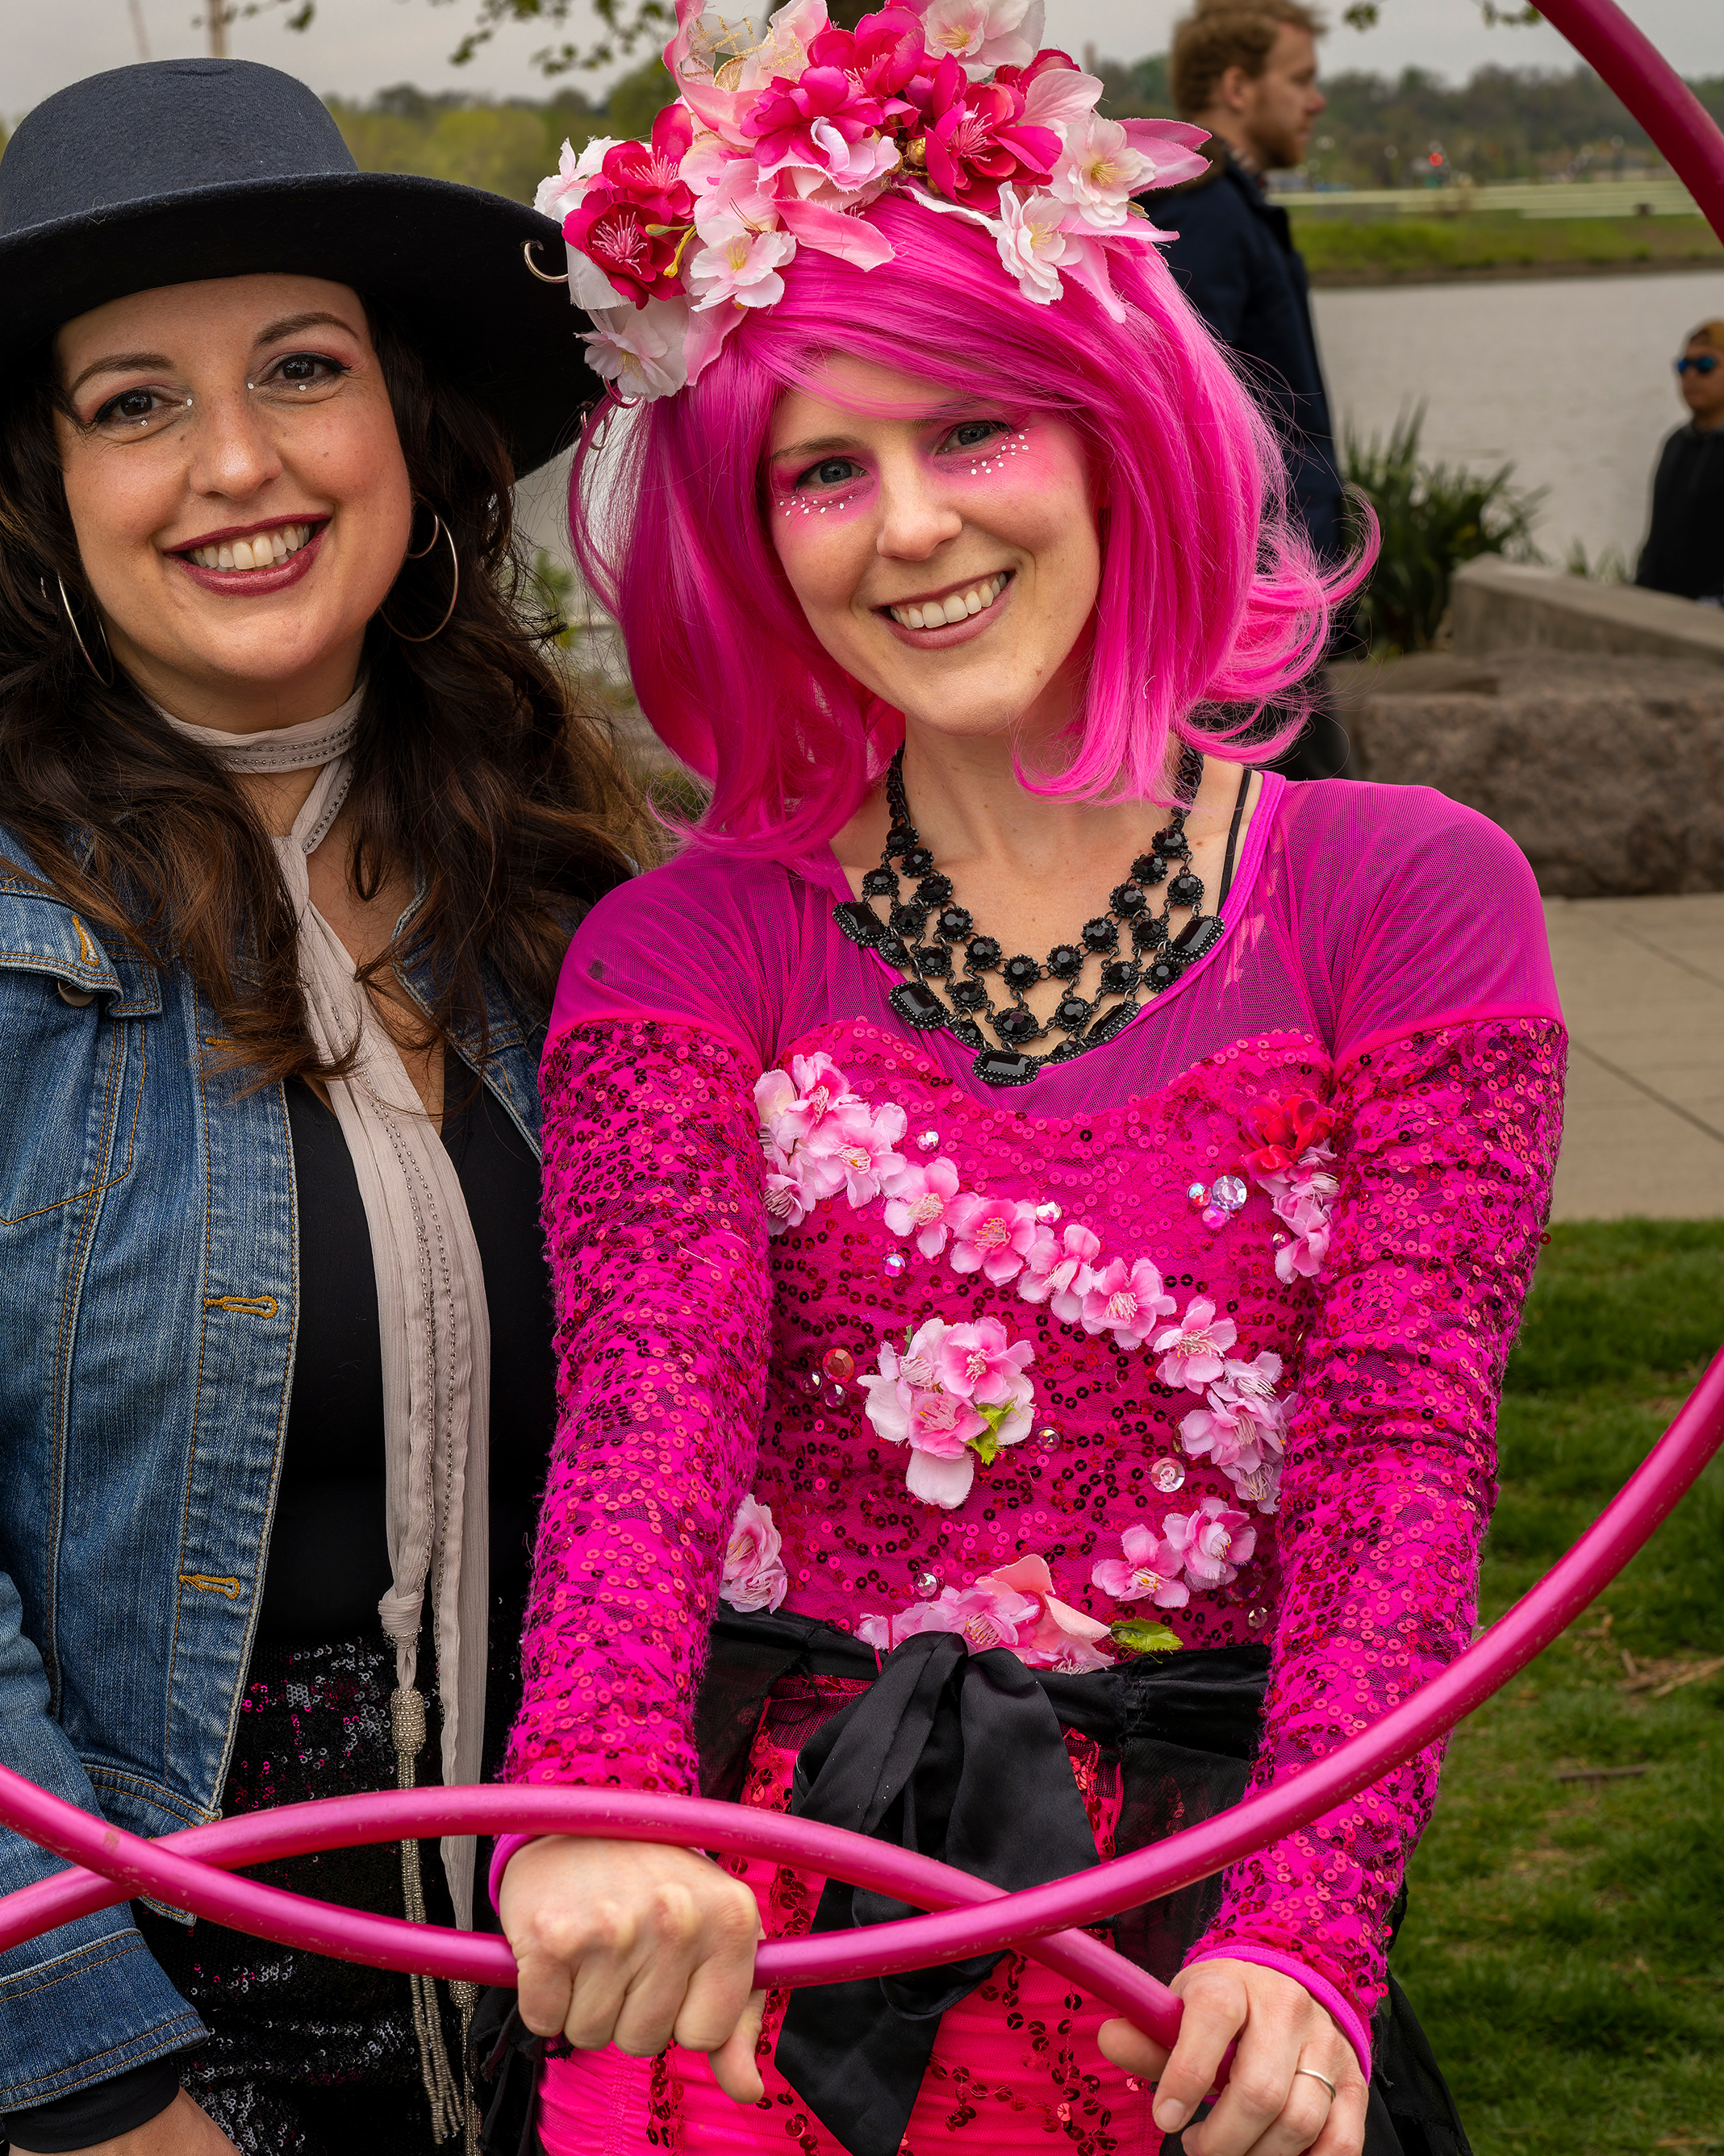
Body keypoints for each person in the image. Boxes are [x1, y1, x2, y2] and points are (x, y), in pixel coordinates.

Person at [486, 6, 1563, 2154]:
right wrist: (583, 1818)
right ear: (750, 526)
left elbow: (1399, 1462)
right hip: (764, 1938)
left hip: (1204, 1925)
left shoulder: (1408, 898)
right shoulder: (678, 949)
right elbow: (644, 1421)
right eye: (824, 467)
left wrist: (1309, 1930)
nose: (906, 528)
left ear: (1112, 434)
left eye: (972, 433)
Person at [0, 58, 640, 2156]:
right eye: (135, 401)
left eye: (302, 369)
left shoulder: (558, 860)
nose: (236, 463)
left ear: (406, 420)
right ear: (46, 474)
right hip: (47, 1968)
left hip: (510, 1968)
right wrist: (86, 2078)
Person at [1149, 1, 1350, 778]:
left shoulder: (1222, 205)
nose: (1315, 100)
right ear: (1236, 86)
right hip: (1244, 605)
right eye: (1298, 79)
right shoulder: (1202, 212)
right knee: (1294, 846)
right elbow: (1182, 412)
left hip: (1265, 599)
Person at [1634, 319, 1724, 604]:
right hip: (1663, 612)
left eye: (1706, 365)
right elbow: (1658, 535)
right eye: (1684, 367)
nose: (1692, 376)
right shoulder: (1676, 443)